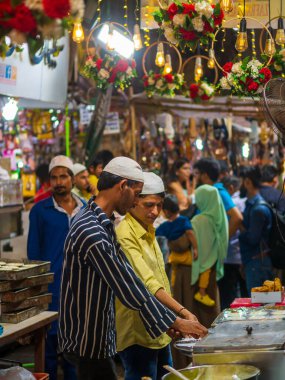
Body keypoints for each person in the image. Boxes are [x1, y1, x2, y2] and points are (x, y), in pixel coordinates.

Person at [58, 157, 207, 380]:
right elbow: (128, 287)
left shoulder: (101, 222)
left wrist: (168, 321)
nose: (136, 200)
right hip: (87, 341)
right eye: (137, 193)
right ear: (122, 186)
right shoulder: (92, 232)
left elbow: (128, 275)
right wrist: (175, 321)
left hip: (99, 338)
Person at [115, 173, 199, 380]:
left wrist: (171, 321)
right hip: (138, 334)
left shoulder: (148, 230)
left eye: (159, 205)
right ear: (134, 201)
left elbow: (159, 279)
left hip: (159, 328)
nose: (155, 211)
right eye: (149, 205)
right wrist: (181, 314)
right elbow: (148, 284)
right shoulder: (125, 234)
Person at [28, 155, 85, 380]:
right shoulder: (40, 211)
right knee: (49, 350)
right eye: (54, 177)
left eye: (63, 176)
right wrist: (36, 292)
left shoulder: (86, 208)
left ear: (72, 179)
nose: (59, 182)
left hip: (81, 290)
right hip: (52, 289)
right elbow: (34, 255)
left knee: (76, 350)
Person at [156, 195, 215, 307]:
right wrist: (196, 248)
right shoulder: (184, 220)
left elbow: (155, 233)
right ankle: (200, 293)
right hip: (187, 260)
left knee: (174, 285)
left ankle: (172, 294)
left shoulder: (165, 226)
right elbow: (190, 233)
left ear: (166, 211)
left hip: (174, 259)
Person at [239, 166, 274, 293]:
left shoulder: (258, 209)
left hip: (258, 264)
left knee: (258, 308)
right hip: (254, 262)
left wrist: (240, 227)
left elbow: (253, 239)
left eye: (241, 181)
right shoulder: (253, 206)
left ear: (247, 182)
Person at [193, 158, 243, 238]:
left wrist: (221, 241)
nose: (195, 177)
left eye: (197, 173)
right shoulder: (207, 192)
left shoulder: (218, 192)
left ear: (205, 175)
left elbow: (237, 218)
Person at [219, 176, 248, 309]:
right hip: (242, 255)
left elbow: (237, 221)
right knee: (245, 297)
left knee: (229, 298)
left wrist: (223, 241)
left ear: (230, 188)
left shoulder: (230, 203)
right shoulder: (244, 201)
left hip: (229, 255)